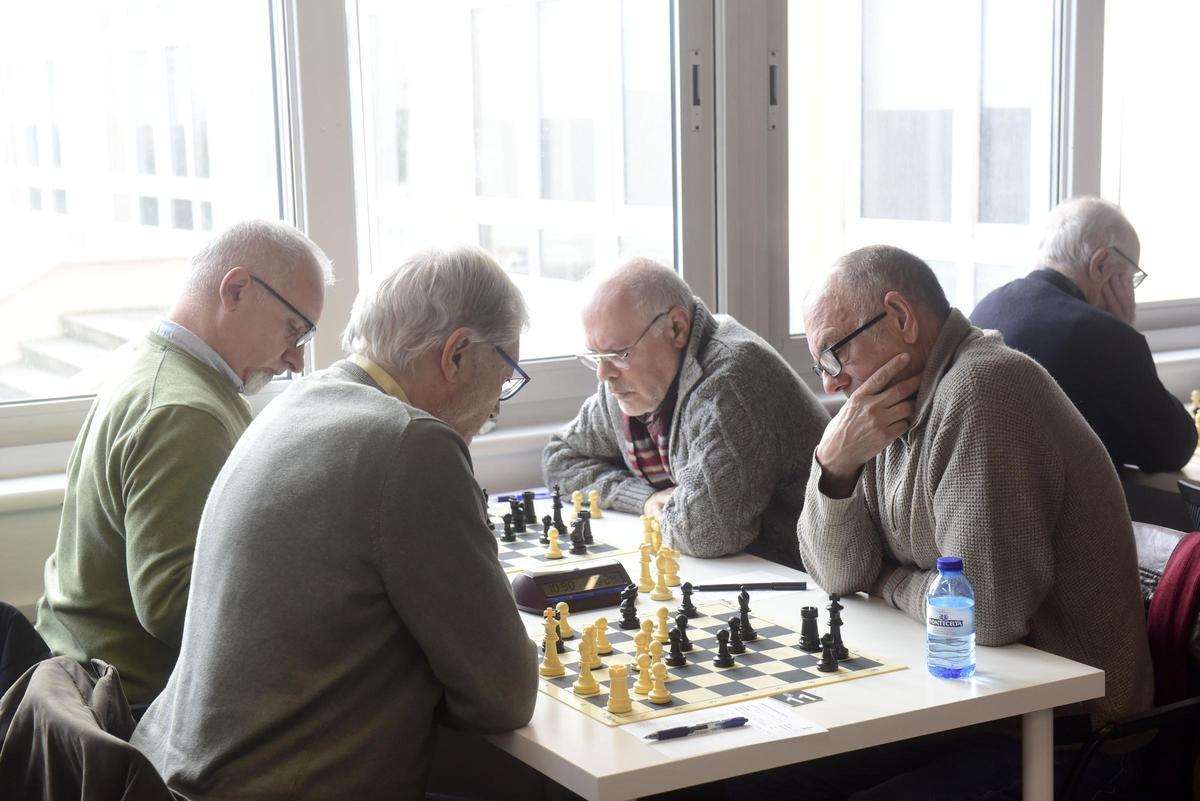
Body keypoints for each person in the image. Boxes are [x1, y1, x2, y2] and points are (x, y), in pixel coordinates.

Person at [132, 247, 538, 801]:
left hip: (172, 776)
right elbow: (505, 694)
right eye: (507, 374)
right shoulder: (413, 445)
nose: (496, 406)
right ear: (457, 354)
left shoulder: (296, 403)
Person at [770, 244, 1153, 799]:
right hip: (965, 706)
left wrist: (886, 581)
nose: (831, 383)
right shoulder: (886, 411)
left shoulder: (983, 390)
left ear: (900, 318)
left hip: (1069, 737)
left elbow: (986, 613)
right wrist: (836, 465)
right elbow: (838, 574)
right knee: (768, 778)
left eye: (834, 355)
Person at [34, 220, 331, 710]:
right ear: (235, 290)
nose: (296, 360)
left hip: (76, 673)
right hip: (133, 707)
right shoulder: (184, 411)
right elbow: (174, 606)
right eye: (294, 330)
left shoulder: (153, 362)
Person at [543, 258, 829, 569]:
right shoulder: (627, 383)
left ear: (676, 328)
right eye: (594, 356)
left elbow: (704, 533)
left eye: (618, 353)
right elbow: (559, 461)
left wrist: (675, 508)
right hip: (740, 569)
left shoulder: (729, 381)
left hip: (806, 578)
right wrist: (644, 499)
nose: (603, 373)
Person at [971, 196, 1196, 472]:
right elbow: (1173, 447)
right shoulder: (1105, 337)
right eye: (1129, 278)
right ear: (1100, 264)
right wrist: (1123, 331)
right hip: (1066, 511)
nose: (1130, 291)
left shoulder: (985, 309)